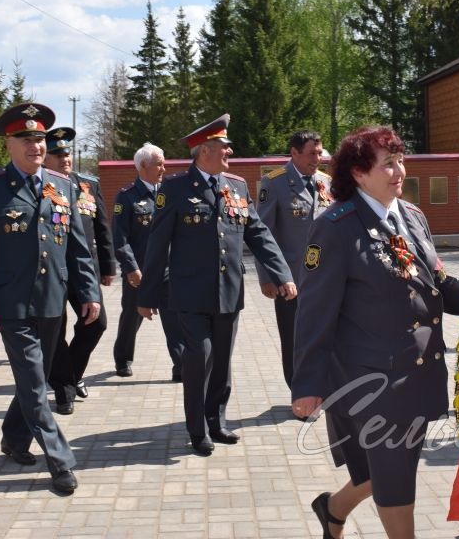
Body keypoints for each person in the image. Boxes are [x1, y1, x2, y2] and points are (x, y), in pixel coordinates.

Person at [291, 125, 459, 539]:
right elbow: (313, 313)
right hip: (372, 380)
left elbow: (434, 283)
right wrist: (307, 384)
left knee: (395, 464)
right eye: (388, 164)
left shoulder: (412, 217)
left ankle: (333, 508)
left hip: (419, 373)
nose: (399, 171)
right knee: (395, 475)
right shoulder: (336, 227)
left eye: (400, 161)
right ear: (359, 174)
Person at [0, 102, 101, 495]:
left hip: (53, 301)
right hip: (11, 304)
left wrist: (89, 292)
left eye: (39, 138)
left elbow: (78, 250)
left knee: (33, 379)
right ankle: (61, 461)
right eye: (26, 138)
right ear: (9, 144)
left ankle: (13, 437)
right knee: (37, 384)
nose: (36, 145)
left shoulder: (64, 187)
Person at [136, 114, 295, 456]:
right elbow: (157, 245)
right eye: (223, 146)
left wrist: (281, 273)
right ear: (204, 151)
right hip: (189, 293)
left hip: (229, 290)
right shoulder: (175, 189)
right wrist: (146, 295)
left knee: (221, 360)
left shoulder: (236, 186)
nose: (229, 151)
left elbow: (258, 233)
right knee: (200, 356)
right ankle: (196, 428)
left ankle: (216, 419)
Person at [43, 127, 116, 415]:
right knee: (54, 329)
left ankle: (69, 374)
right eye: (57, 154)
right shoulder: (40, 186)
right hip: (50, 269)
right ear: (45, 158)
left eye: (67, 153)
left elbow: (102, 226)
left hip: (84, 269)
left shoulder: (87, 185)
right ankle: (63, 390)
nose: (65, 159)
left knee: (96, 324)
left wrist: (108, 265)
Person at [255, 130, 331, 390]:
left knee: (324, 338)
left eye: (320, 153)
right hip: (291, 281)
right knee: (294, 341)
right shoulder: (274, 182)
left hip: (325, 281)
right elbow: (263, 234)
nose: (317, 159)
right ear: (294, 153)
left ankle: (321, 389)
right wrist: (268, 278)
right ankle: (300, 393)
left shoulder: (326, 182)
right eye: (311, 153)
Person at [112, 142, 184, 380]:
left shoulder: (169, 192)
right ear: (143, 166)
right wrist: (131, 268)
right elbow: (120, 239)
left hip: (166, 270)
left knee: (174, 319)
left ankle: (181, 365)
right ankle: (123, 358)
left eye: (164, 163)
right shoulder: (127, 197)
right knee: (132, 317)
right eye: (159, 163)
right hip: (139, 272)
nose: (164, 168)